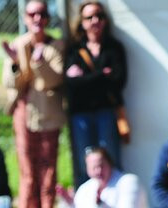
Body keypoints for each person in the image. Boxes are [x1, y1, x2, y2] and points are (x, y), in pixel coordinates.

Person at [2, 1, 65, 208]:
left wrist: (40, 63)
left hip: (48, 114)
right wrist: (15, 62)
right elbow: (11, 82)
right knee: (27, 167)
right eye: (32, 14)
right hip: (23, 112)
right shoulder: (19, 44)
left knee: (47, 166)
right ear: (25, 17)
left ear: (48, 18)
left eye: (41, 13)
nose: (37, 18)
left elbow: (55, 80)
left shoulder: (56, 45)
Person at [63, 1, 128, 185]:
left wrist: (86, 78)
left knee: (110, 159)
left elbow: (118, 81)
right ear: (82, 22)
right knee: (85, 162)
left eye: (99, 16)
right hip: (80, 115)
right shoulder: (74, 50)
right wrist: (101, 75)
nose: (95, 21)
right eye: (89, 17)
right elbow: (71, 84)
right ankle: (87, 207)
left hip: (106, 112)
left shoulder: (114, 48)